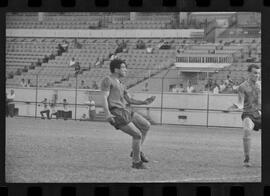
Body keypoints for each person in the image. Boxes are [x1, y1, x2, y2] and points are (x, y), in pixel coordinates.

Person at [101, 59, 156, 169]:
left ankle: (136, 151)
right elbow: (104, 97)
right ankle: (136, 162)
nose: (126, 70)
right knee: (137, 135)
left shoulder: (121, 84)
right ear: (116, 69)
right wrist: (107, 114)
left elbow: (130, 100)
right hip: (116, 112)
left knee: (146, 125)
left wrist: (144, 102)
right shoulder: (108, 80)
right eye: (123, 67)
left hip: (125, 110)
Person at [228, 64, 261, 167]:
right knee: (247, 130)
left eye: (258, 73)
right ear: (249, 73)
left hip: (259, 113)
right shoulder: (242, 87)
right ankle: (247, 159)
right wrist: (233, 106)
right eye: (255, 73)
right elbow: (240, 103)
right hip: (248, 114)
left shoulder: (260, 85)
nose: (257, 75)